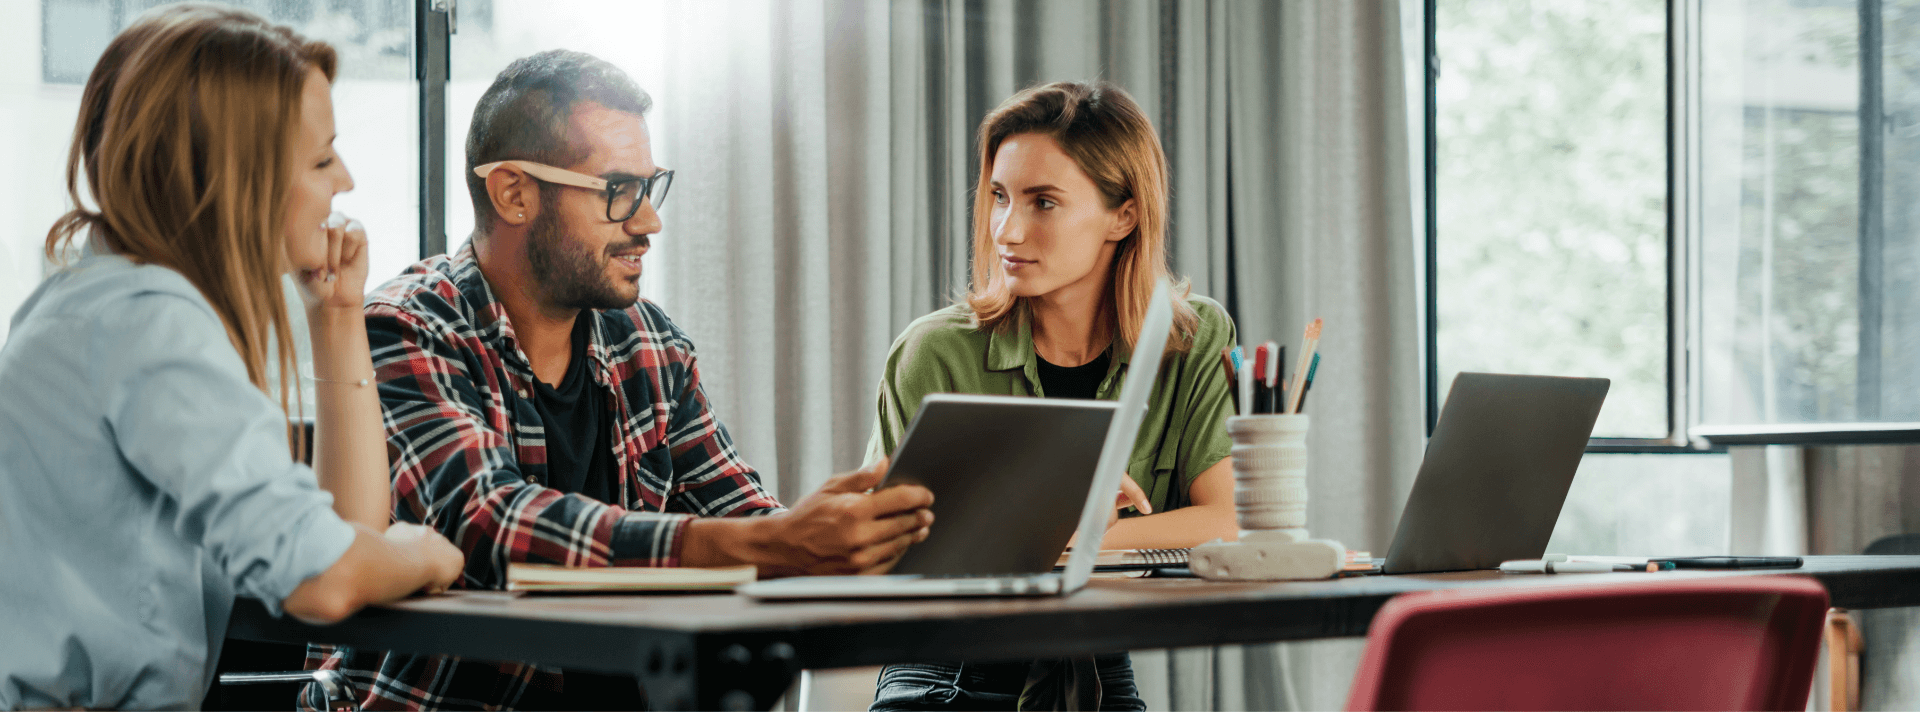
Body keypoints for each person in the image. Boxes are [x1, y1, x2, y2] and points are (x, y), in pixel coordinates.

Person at [305, 50, 935, 710]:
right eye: (618, 192)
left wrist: (843, 542)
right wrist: (772, 543)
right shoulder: (406, 328)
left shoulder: (649, 342)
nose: (647, 220)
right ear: (514, 193)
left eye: (648, 187)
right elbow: (486, 527)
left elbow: (744, 519)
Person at [0, 4, 464, 709]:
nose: (345, 180)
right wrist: (424, 551)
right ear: (234, 178)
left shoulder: (94, 304)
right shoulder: (149, 324)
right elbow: (325, 577)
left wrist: (337, 317)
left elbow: (339, 537)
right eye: (319, 157)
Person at [864, 81, 1239, 711]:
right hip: (946, 665)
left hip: (1092, 662)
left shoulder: (1192, 337)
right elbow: (886, 550)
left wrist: (1059, 530)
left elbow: (1227, 522)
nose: (1008, 229)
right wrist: (1071, 529)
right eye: (1000, 198)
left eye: (1044, 202)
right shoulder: (933, 352)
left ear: (1124, 215)